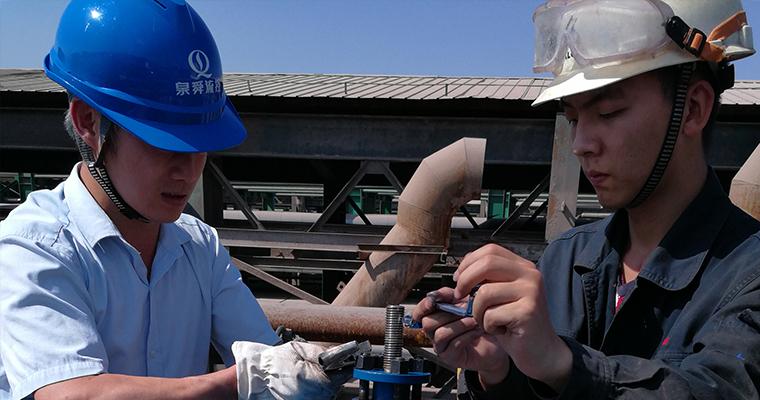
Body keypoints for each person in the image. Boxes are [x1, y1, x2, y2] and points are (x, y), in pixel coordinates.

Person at [414, 0, 760, 398]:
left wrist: (563, 364)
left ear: (693, 109)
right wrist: (500, 370)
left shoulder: (748, 277)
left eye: (608, 112)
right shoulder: (565, 261)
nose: (580, 144)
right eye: (574, 119)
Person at [0, 1, 346, 399]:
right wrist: (241, 380)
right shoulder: (35, 247)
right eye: (163, 143)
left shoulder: (198, 246)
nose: (188, 170)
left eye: (200, 144)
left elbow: (268, 357)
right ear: (88, 123)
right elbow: (69, 393)